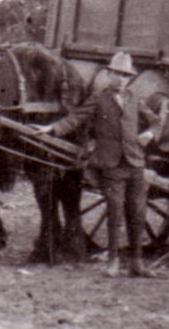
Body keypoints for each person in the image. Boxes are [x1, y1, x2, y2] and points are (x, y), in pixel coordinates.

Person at [45, 51, 158, 278]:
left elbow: (156, 121)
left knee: (137, 212)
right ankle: (113, 261)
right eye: (117, 74)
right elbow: (76, 117)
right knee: (115, 212)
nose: (121, 79)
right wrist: (52, 129)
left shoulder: (135, 99)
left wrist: (150, 133)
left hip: (134, 163)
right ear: (109, 75)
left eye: (125, 76)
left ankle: (137, 263)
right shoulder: (99, 98)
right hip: (110, 164)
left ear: (130, 78)